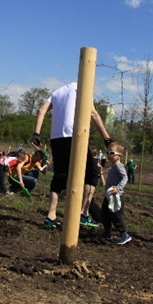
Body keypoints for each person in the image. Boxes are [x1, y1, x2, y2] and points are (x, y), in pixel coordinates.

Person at [32, 82, 113, 229]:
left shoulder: (57, 92)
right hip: (73, 135)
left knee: (60, 175)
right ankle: (83, 214)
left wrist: (36, 133)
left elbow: (41, 110)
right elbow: (93, 113)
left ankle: (51, 216)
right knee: (93, 173)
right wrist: (107, 139)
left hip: (56, 138)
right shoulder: (84, 86)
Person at [97, 142, 131, 245]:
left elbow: (125, 178)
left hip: (117, 197)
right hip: (109, 196)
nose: (108, 155)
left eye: (111, 153)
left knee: (116, 217)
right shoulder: (113, 166)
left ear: (119, 155)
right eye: (107, 152)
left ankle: (124, 235)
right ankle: (107, 233)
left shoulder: (119, 166)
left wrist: (118, 188)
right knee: (104, 215)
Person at [80, 145, 101, 227]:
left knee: (88, 197)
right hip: (91, 180)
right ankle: (83, 214)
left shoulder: (87, 161)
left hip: (91, 180)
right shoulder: (93, 163)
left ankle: (85, 213)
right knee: (88, 197)